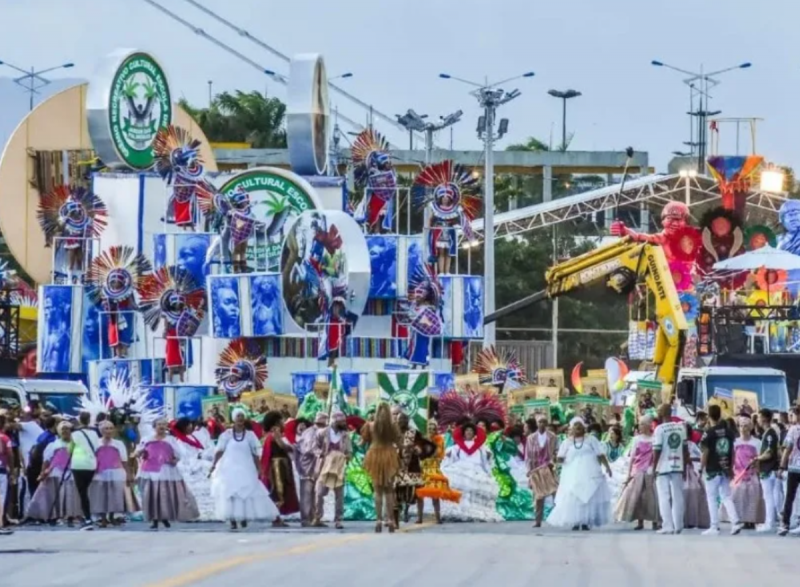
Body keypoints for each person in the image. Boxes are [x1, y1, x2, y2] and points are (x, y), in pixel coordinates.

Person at [209, 409, 277, 531]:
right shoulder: (227, 435)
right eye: (238, 416)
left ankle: (244, 517)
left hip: (246, 467)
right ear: (234, 418)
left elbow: (255, 453)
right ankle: (233, 520)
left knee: (245, 492)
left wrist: (259, 468)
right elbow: (220, 450)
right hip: (229, 468)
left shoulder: (250, 435)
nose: (240, 418)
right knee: (232, 493)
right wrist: (214, 465)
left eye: (242, 416)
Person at [547, 417, 612, 531]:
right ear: (571, 429)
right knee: (574, 496)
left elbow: (600, 454)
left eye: (580, 426)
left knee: (588, 495)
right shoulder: (567, 442)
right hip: (572, 474)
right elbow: (560, 458)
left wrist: (607, 467)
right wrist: (554, 460)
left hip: (590, 472)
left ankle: (586, 522)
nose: (578, 429)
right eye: (575, 427)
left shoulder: (591, 440)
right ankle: (576, 521)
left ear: (584, 428)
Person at [136, 418, 199, 530]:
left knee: (164, 494)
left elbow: (178, 454)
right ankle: (154, 519)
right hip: (151, 470)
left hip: (166, 470)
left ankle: (165, 517)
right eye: (159, 424)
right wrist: (141, 453)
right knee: (153, 495)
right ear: (154, 426)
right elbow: (139, 451)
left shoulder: (170, 439)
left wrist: (174, 460)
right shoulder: (147, 439)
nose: (161, 426)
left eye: (163, 424)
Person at [26, 421, 83, 525]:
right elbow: (47, 461)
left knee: (70, 495)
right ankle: (55, 516)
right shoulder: (53, 445)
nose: (65, 431)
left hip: (71, 473)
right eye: (63, 429)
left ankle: (71, 515)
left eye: (67, 429)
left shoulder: (76, 444)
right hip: (55, 473)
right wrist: (43, 473)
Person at [700, 404, 743, 536]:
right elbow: (733, 451)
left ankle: (714, 526)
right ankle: (735, 522)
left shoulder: (709, 433)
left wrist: (701, 468)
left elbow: (705, 452)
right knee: (726, 496)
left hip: (712, 469)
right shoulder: (729, 432)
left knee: (712, 498)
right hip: (725, 468)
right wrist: (731, 467)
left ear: (709, 415)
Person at [616, 416, 659, 530]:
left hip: (650, 470)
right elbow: (632, 457)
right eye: (640, 424)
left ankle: (655, 520)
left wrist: (654, 469)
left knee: (652, 496)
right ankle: (640, 522)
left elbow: (656, 456)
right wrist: (629, 473)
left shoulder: (655, 438)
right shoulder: (637, 439)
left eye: (642, 424)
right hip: (638, 470)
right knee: (638, 496)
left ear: (649, 425)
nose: (640, 426)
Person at [363, 403, 400, 532]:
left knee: (377, 490)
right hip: (389, 455)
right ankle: (390, 520)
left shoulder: (370, 425)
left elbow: (364, 440)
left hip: (374, 455)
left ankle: (378, 520)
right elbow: (399, 442)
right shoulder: (393, 426)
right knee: (389, 490)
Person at [416, 417, 460, 526]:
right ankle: (419, 518)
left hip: (434, 468)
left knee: (435, 494)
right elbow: (419, 453)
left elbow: (438, 454)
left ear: (436, 429)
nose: (431, 429)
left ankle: (438, 517)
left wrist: (431, 444)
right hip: (423, 467)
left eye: (433, 428)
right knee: (419, 494)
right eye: (429, 427)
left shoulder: (439, 439)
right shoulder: (422, 439)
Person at [653, 404, 689, 535]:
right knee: (678, 496)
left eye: (658, 410)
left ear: (662, 413)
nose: (657, 412)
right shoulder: (681, 427)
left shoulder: (659, 429)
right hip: (678, 465)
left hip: (663, 467)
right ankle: (678, 525)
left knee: (664, 497)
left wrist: (654, 468)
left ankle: (667, 525)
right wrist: (684, 467)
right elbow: (685, 450)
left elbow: (656, 450)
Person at [259, 411, 299, 527]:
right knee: (279, 491)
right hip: (278, 466)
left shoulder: (269, 435)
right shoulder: (275, 432)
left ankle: (276, 517)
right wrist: (291, 448)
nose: (284, 423)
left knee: (277, 491)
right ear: (277, 422)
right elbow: (282, 446)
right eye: (282, 420)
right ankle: (276, 518)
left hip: (278, 465)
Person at [313, 410, 352, 529]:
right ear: (334, 421)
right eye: (341, 421)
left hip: (339, 466)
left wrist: (348, 456)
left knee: (339, 495)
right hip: (325, 465)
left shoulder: (345, 435)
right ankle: (317, 517)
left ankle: (338, 520)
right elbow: (315, 447)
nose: (344, 423)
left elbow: (349, 450)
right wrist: (321, 454)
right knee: (319, 492)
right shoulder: (322, 432)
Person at [89, 421, 131, 527]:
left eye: (111, 428)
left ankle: (112, 516)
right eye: (106, 428)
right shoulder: (95, 443)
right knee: (100, 496)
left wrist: (128, 474)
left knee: (114, 495)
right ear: (101, 430)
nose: (109, 431)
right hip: (99, 473)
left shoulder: (118, 444)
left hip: (115, 472)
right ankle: (102, 518)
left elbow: (124, 460)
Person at [725, 418, 764, 529]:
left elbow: (759, 458)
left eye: (746, 426)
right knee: (738, 496)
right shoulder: (735, 442)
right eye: (741, 426)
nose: (743, 428)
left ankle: (751, 520)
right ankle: (740, 518)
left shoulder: (757, 442)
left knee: (752, 496)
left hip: (752, 473)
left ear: (751, 427)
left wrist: (758, 470)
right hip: (738, 473)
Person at [394, 413, 429, 527]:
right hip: (396, 467)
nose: (402, 421)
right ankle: (395, 519)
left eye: (404, 419)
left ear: (408, 421)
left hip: (412, 466)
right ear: (397, 420)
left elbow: (423, 447)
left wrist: (417, 450)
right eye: (400, 419)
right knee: (396, 492)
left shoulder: (414, 433)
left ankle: (417, 515)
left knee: (416, 492)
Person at [751, 408, 781, 532]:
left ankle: (769, 523)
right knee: (771, 497)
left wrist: (758, 458)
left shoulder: (770, 433)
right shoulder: (767, 433)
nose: (757, 419)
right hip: (767, 469)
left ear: (764, 418)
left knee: (769, 497)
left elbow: (769, 452)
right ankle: (771, 521)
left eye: (759, 416)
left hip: (768, 469)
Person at [525, 416, 558, 528]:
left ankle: (558, 518)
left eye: (544, 421)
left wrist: (553, 462)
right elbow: (528, 455)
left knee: (555, 493)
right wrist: (528, 470)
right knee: (538, 495)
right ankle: (538, 520)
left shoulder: (553, 437)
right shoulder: (531, 438)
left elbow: (557, 451)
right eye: (540, 422)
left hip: (549, 468)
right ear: (537, 423)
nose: (542, 424)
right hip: (536, 468)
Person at [295, 412, 327, 526]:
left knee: (316, 493)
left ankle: (315, 518)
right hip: (307, 466)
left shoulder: (321, 432)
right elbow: (309, 448)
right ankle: (305, 519)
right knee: (306, 493)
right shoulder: (310, 432)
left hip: (317, 466)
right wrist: (322, 453)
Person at [71, 412, 99, 530]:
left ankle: (87, 518)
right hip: (91, 464)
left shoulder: (75, 434)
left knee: (82, 493)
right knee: (86, 491)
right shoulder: (94, 433)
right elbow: (97, 448)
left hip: (78, 464)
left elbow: (70, 448)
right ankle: (88, 516)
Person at [778, 405, 800, 536]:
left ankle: (784, 524)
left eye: (793, 415)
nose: (792, 418)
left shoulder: (793, 430)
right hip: (794, 467)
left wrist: (781, 466)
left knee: (790, 497)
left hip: (794, 467)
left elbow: (787, 449)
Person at [0, 415, 13, 535]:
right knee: (1, 497)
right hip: (1, 471)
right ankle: (0, 524)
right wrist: (13, 470)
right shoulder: (5, 438)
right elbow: (10, 455)